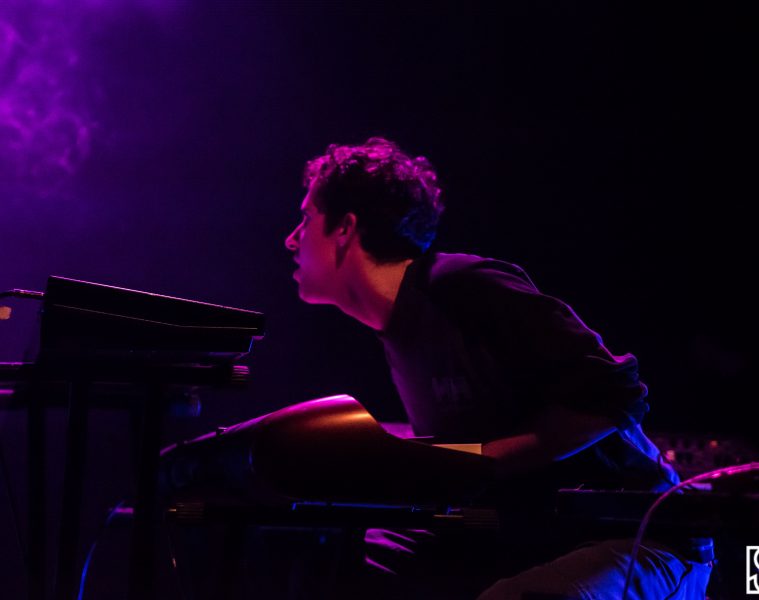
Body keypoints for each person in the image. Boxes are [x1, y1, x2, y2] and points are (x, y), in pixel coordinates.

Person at [284, 137, 712, 599]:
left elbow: (618, 395)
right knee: (335, 562)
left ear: (345, 228)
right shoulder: (397, 329)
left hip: (638, 535)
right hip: (525, 541)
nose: (291, 238)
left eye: (306, 219)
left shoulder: (461, 286)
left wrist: (480, 459)